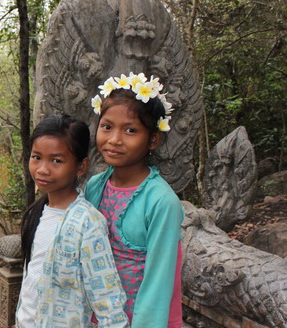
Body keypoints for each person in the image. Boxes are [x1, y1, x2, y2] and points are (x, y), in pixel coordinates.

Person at [86, 72, 184, 327]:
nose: (114, 140)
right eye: (107, 127)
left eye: (130, 130)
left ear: (153, 139)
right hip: (94, 317)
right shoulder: (95, 187)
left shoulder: (161, 202)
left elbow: (160, 280)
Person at [16, 114, 128, 328]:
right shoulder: (36, 213)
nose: (42, 169)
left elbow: (108, 299)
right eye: (36, 157)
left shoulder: (87, 223)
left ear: (81, 166)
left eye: (56, 161)